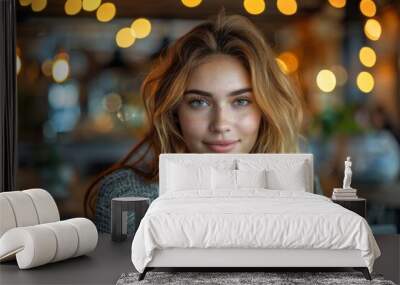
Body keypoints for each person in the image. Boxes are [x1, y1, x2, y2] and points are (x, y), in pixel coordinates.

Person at [84, 12, 321, 234]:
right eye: (199, 102)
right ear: (174, 110)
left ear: (265, 109)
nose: (220, 124)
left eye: (241, 101)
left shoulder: (299, 186)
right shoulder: (126, 196)